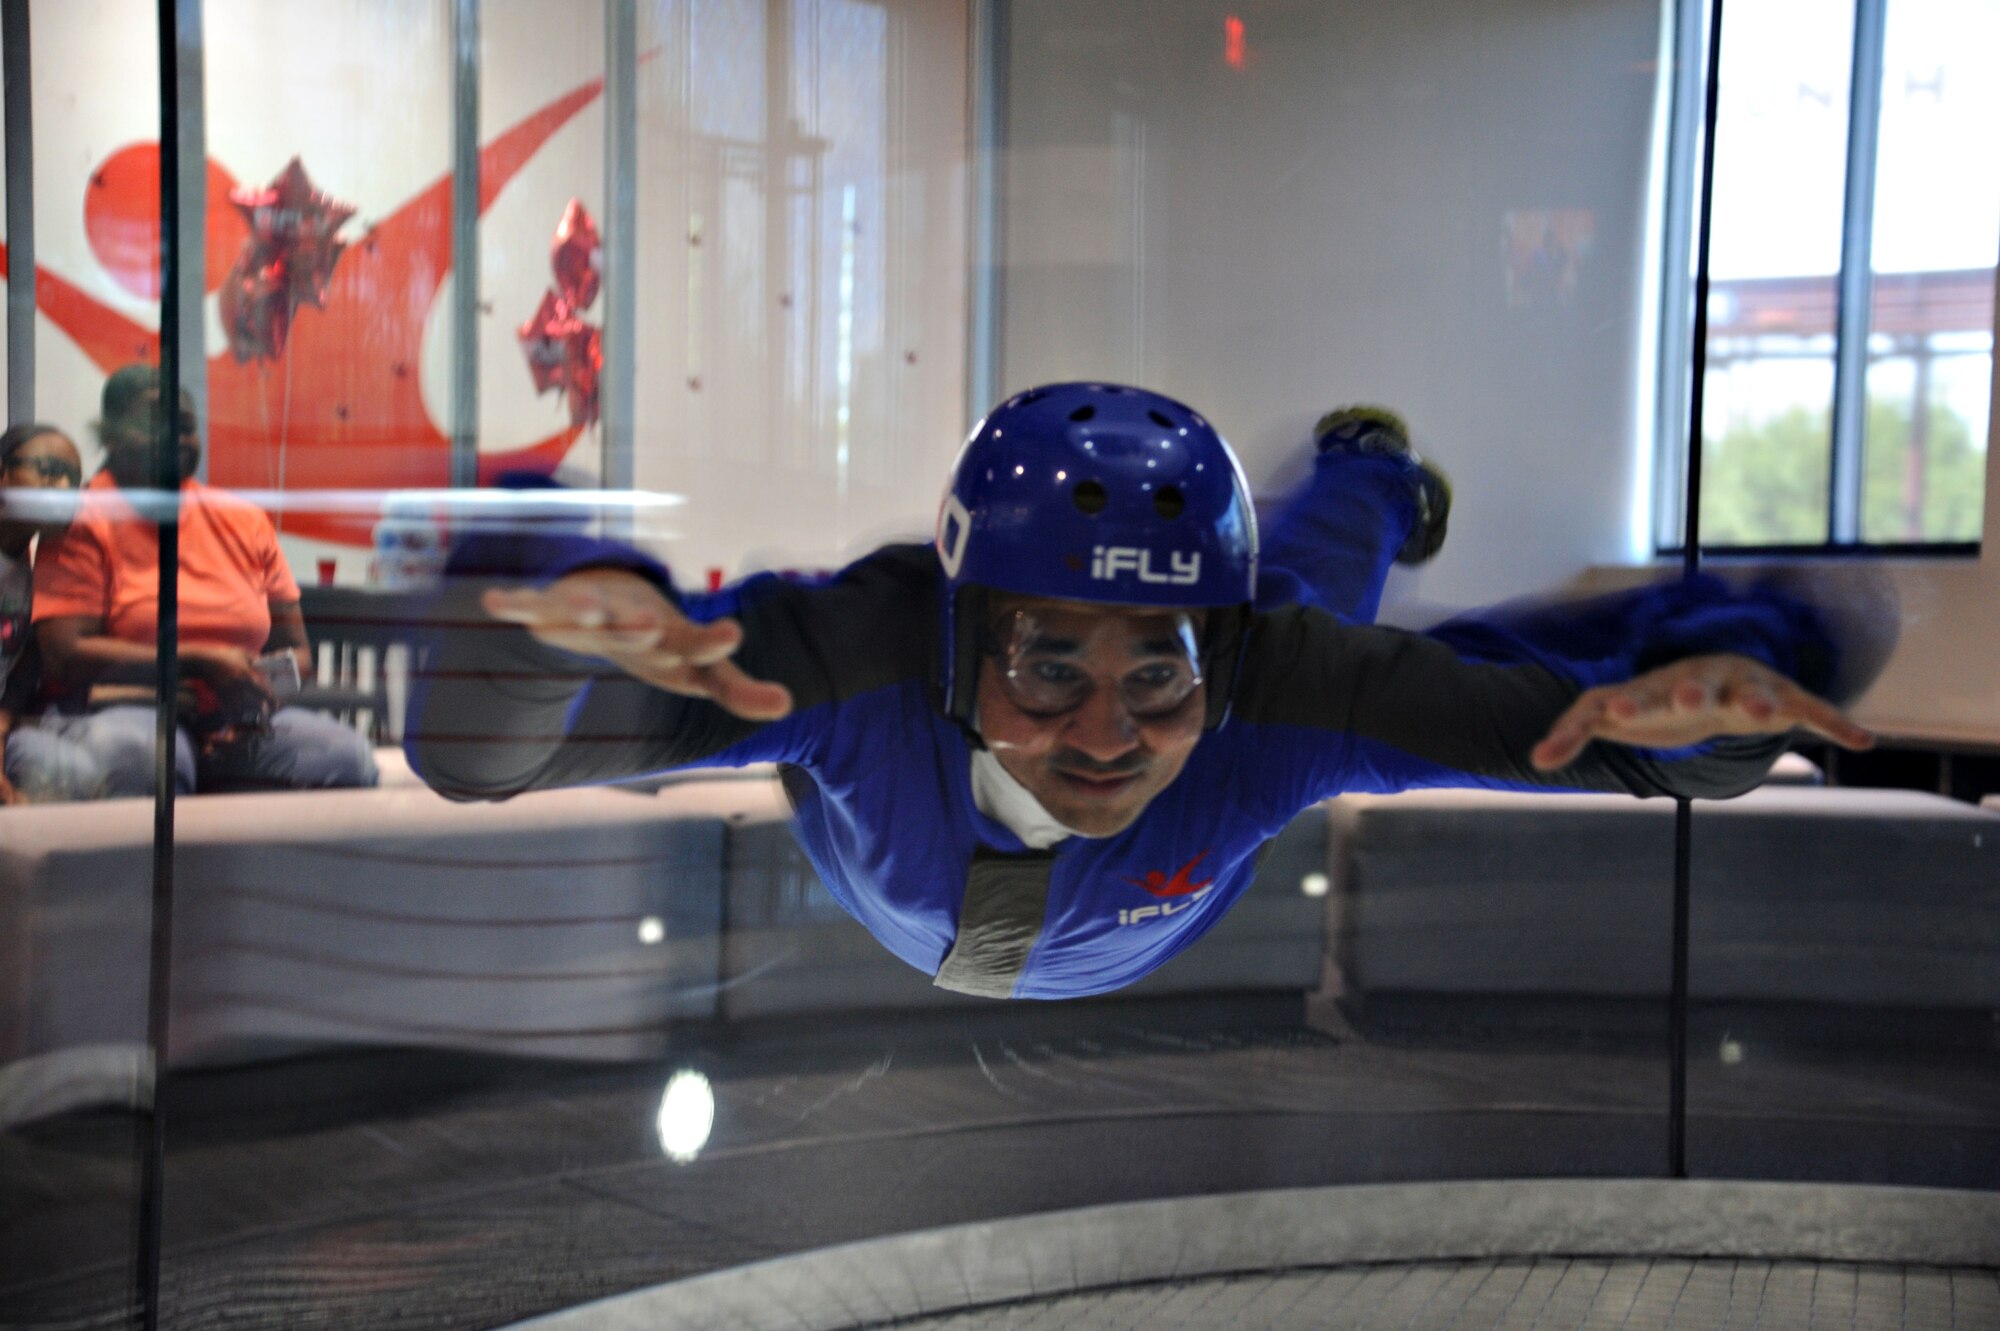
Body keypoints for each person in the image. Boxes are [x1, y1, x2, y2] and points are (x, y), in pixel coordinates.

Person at [407, 382, 1873, 999]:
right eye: (1049, 666)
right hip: (995, 886)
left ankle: (1367, 460)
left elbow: (1566, 731)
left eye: (1156, 673)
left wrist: (1722, 709)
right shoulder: (850, 654)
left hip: (1168, 809)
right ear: (958, 644)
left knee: (1324, 587)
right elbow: (475, 755)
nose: (1103, 735)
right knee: (1311, 600)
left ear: (1215, 666)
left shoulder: (1271, 686)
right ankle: (1359, 468)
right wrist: (533, 615)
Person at [27, 365, 377, 797]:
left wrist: (255, 700)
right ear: (111, 436)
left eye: (186, 426)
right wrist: (200, 662)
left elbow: (296, 652)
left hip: (234, 720)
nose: (174, 435)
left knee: (347, 758)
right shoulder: (81, 517)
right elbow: (66, 654)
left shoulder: (244, 520)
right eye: (153, 422)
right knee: (151, 759)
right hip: (119, 711)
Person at [0, 423, 87, 803]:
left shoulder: (29, 570)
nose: (64, 489)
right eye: (49, 471)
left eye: (73, 479)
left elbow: (24, 662)